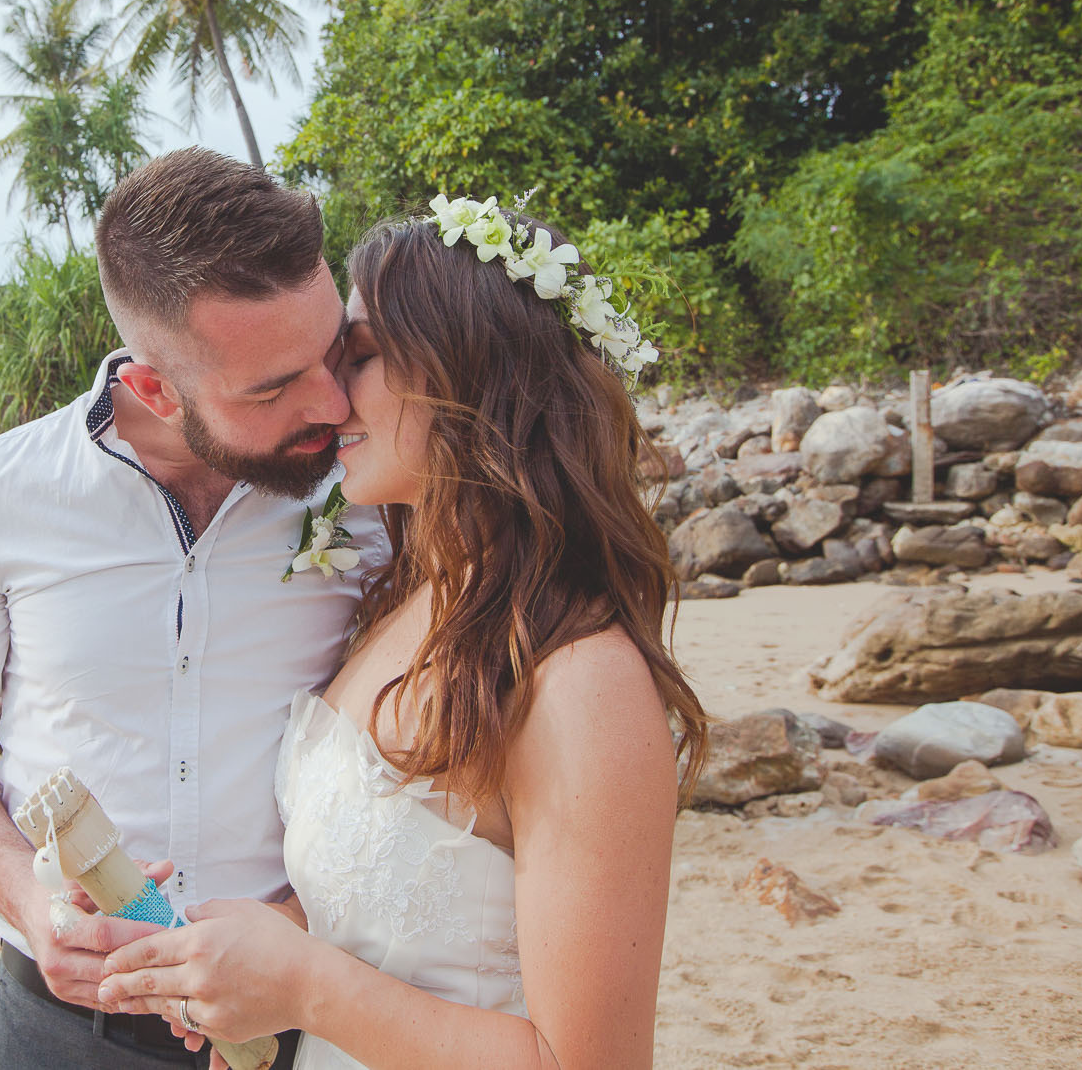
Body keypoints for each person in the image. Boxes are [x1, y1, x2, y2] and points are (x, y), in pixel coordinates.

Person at [96, 199, 709, 1069]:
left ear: (472, 369)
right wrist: (254, 949)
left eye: (363, 353)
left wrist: (307, 985)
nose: (331, 394)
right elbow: (380, 914)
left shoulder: (582, 684)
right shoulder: (403, 599)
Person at [0, 147, 384, 1069]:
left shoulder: (373, 477)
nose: (331, 400)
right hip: (61, 1031)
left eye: (334, 352)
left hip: (320, 1019)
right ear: (151, 386)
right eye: (273, 387)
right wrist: (24, 894)